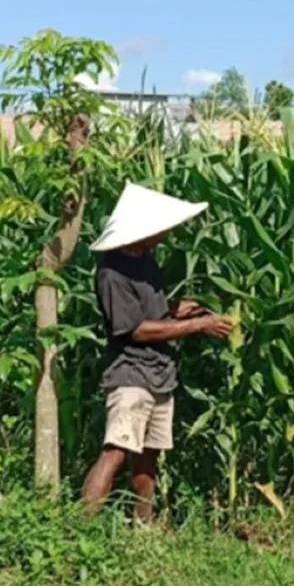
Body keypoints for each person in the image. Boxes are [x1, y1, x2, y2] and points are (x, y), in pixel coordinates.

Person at [81, 182, 235, 522]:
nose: (166, 233)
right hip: (131, 374)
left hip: (160, 374)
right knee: (116, 450)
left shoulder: (146, 262)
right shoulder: (112, 273)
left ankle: (144, 528)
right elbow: (134, 329)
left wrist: (176, 309)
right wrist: (197, 326)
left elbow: (148, 312)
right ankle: (80, 533)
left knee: (148, 459)